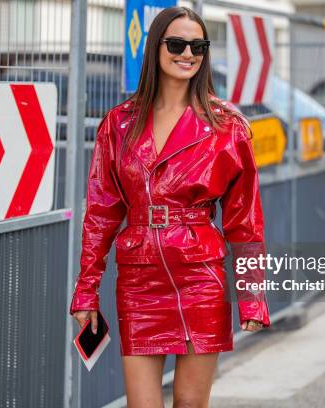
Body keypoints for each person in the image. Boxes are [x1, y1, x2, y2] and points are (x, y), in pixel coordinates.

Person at [70, 6, 270, 407]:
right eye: (177, 43)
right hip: (140, 279)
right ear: (155, 48)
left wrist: (252, 294)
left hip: (201, 277)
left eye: (198, 45)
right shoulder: (119, 123)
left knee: (189, 404)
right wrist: (86, 291)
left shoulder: (227, 126)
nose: (188, 53)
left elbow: (245, 222)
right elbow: (101, 213)